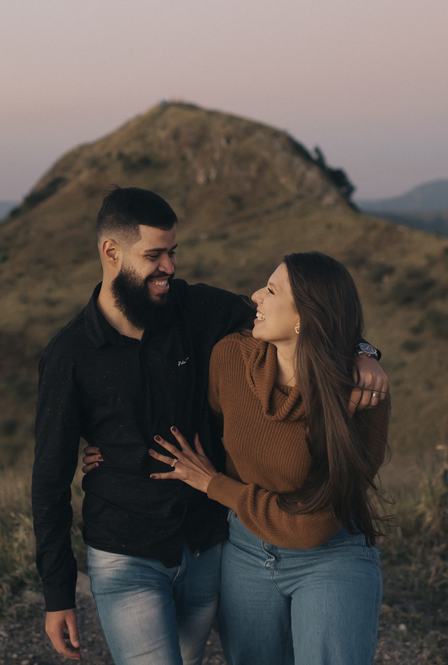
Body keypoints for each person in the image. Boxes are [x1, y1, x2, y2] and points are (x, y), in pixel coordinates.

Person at [32, 188, 389, 664]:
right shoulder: (69, 355)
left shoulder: (198, 309)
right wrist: (58, 592)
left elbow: (314, 317)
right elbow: (49, 480)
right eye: (154, 256)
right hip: (126, 549)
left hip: (205, 544)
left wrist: (363, 352)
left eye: (173, 252)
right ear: (111, 252)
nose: (169, 267)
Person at [144, 252, 389, 665]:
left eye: (272, 291)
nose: (256, 295)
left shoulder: (360, 395)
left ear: (305, 318)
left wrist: (215, 485)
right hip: (244, 551)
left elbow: (310, 527)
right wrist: (106, 447)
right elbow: (200, 420)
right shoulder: (231, 358)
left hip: (330, 553)